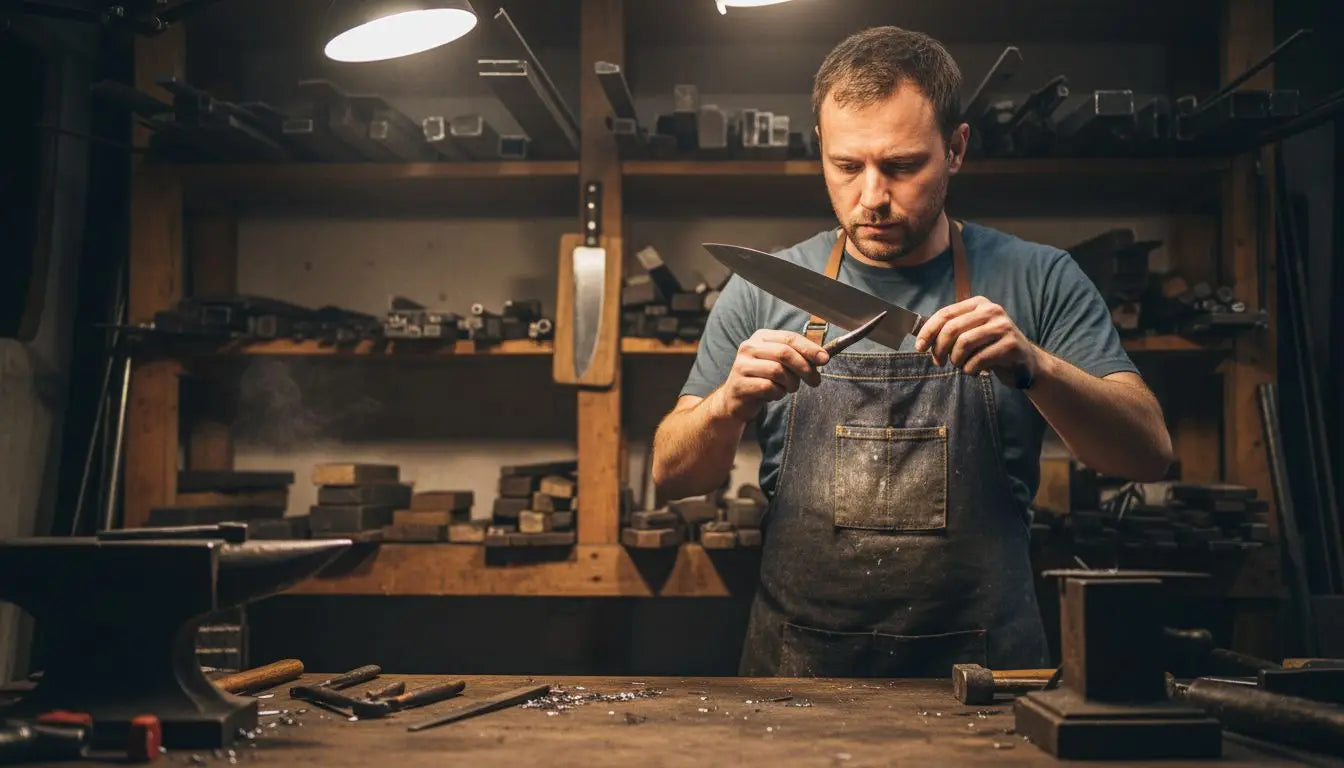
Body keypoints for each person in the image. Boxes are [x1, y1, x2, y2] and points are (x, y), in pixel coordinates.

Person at [649, 26, 1175, 677]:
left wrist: (1037, 368)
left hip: (986, 673)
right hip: (803, 670)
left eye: (901, 167)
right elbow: (673, 475)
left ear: (955, 149)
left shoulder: (1040, 278)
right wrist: (726, 406)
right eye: (846, 167)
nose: (871, 197)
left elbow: (1148, 453)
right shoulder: (763, 291)